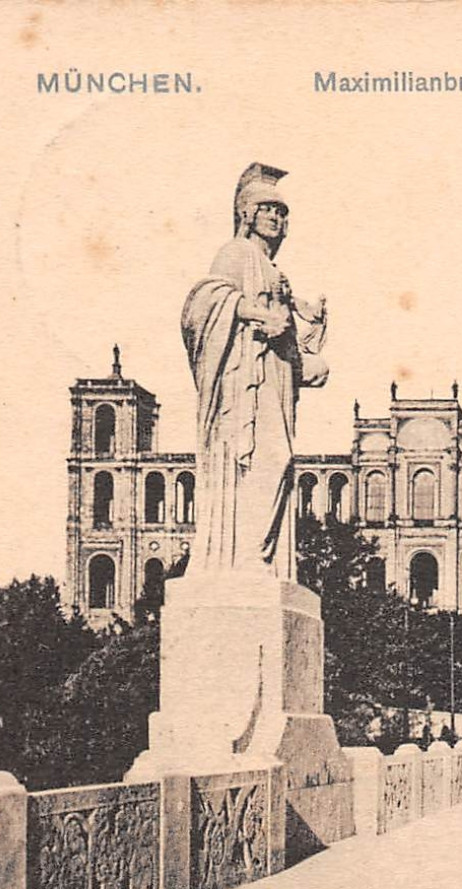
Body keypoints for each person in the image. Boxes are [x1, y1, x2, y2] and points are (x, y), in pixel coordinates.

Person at [181, 163, 330, 580]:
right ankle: (247, 556)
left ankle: (259, 557)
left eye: (282, 211)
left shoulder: (275, 271)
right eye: (268, 208)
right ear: (247, 213)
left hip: (275, 383)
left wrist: (308, 360)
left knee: (279, 461)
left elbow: (286, 341)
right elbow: (204, 302)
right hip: (245, 384)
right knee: (270, 459)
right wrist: (258, 315)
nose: (276, 217)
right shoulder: (236, 253)